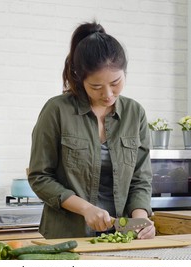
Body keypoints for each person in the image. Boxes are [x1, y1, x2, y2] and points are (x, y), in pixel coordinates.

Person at [28, 21, 155, 239]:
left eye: (115, 82)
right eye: (96, 87)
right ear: (79, 78)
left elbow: (140, 179)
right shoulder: (57, 110)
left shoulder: (135, 113)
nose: (107, 94)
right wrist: (86, 209)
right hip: (67, 236)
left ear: (125, 72)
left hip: (121, 236)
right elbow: (40, 176)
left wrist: (141, 219)